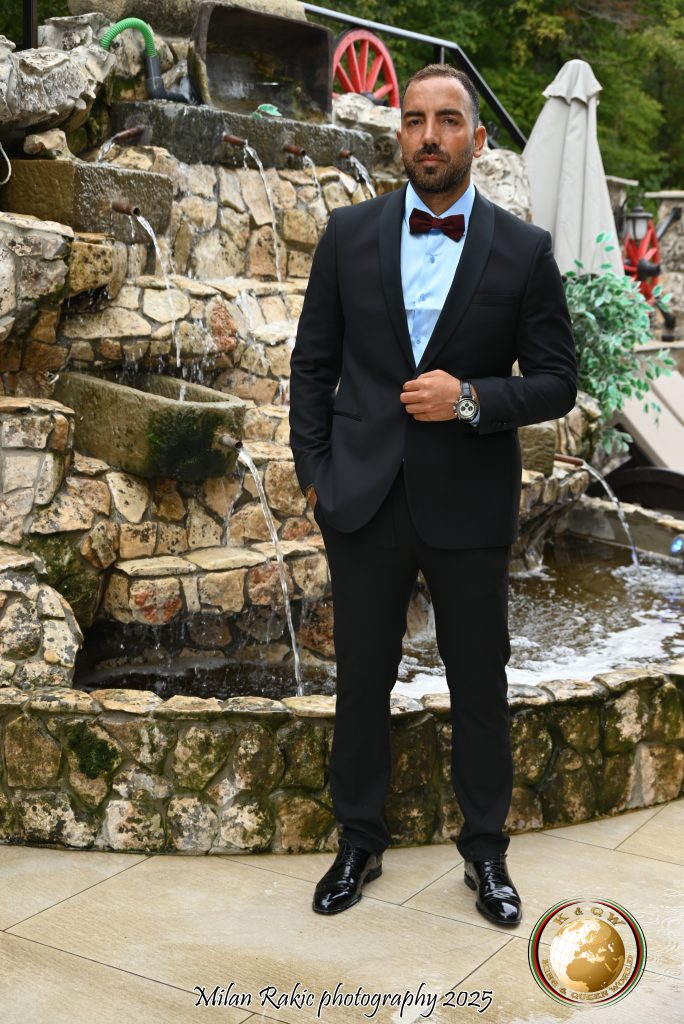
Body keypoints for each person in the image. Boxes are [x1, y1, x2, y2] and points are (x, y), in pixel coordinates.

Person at [288, 64, 577, 926]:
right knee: (361, 681)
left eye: (448, 120)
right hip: (362, 498)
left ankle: (486, 852)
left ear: (476, 139)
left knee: (479, 683)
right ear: (399, 133)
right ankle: (358, 841)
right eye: (414, 119)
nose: (429, 135)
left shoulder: (523, 250)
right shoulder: (348, 234)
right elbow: (312, 365)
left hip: (469, 502)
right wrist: (315, 476)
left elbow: (558, 381)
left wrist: (473, 398)